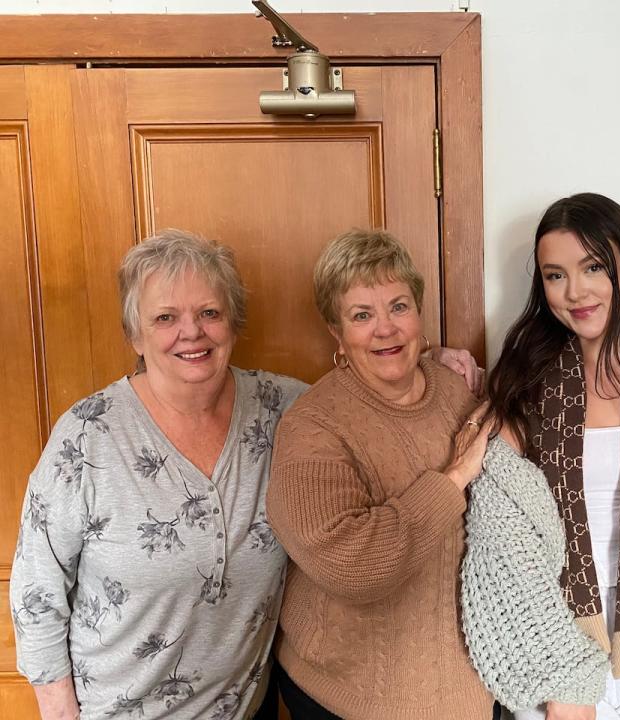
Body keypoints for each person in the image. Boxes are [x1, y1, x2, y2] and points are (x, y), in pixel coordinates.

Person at [10, 229, 307, 719]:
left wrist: (434, 360)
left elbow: (368, 393)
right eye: (165, 317)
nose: (191, 333)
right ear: (135, 335)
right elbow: (36, 592)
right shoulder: (86, 436)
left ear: (233, 323)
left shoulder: (283, 411)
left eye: (209, 313)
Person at [462, 193, 620, 720]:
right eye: (554, 275)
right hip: (557, 638)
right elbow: (503, 526)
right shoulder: (526, 381)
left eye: (593, 267)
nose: (576, 291)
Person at [265, 228, 494, 720]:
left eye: (398, 306)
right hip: (354, 699)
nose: (385, 329)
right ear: (337, 333)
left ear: (419, 313)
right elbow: (354, 565)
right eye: (361, 315)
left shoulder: (458, 391)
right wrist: (454, 479)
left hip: (474, 688)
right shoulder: (313, 426)